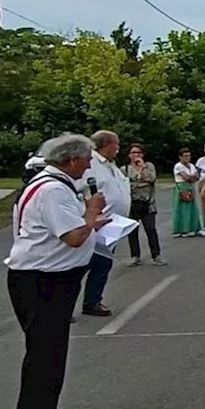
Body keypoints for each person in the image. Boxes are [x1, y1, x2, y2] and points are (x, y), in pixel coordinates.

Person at [5, 133, 109, 409]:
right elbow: (73, 237)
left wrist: (89, 222)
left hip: (43, 276)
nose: (90, 165)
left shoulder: (50, 185)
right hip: (44, 279)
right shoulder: (52, 190)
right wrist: (91, 214)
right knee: (46, 352)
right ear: (71, 160)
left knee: (47, 349)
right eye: (86, 159)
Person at [80, 130, 131, 317]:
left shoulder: (111, 165)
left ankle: (93, 301)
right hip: (96, 224)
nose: (118, 148)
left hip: (111, 226)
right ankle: (64, 306)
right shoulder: (90, 164)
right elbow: (83, 191)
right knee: (81, 265)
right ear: (106, 145)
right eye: (115, 144)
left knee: (103, 264)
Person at [125, 143, 166, 266]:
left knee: (151, 229)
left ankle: (156, 255)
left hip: (148, 203)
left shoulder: (149, 166)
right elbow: (126, 185)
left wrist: (142, 168)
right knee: (132, 231)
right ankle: (135, 256)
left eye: (139, 152)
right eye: (133, 152)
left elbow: (152, 179)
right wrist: (142, 183)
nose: (136, 155)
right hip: (132, 203)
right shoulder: (125, 169)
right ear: (129, 155)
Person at [172, 148, 202, 237]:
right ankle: (183, 229)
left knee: (192, 208)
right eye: (185, 156)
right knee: (183, 208)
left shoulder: (191, 165)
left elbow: (197, 176)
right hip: (182, 187)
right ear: (180, 157)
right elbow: (187, 177)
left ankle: (193, 228)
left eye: (188, 156)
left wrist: (192, 177)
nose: (187, 158)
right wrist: (192, 177)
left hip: (190, 187)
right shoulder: (178, 166)